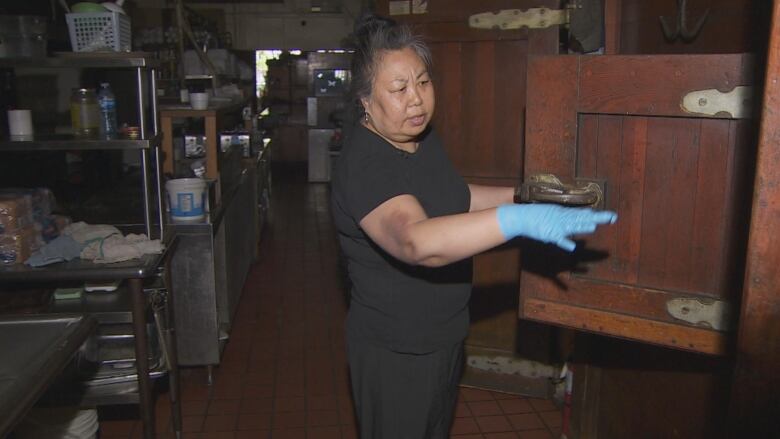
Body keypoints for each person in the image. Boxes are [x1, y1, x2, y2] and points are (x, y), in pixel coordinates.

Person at [331, 14, 617, 439]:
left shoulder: (419, 138)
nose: (417, 100)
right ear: (364, 103)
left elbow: (454, 196)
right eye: (399, 89)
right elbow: (416, 241)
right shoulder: (364, 163)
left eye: (424, 83)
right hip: (397, 350)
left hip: (443, 335)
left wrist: (522, 195)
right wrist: (518, 220)